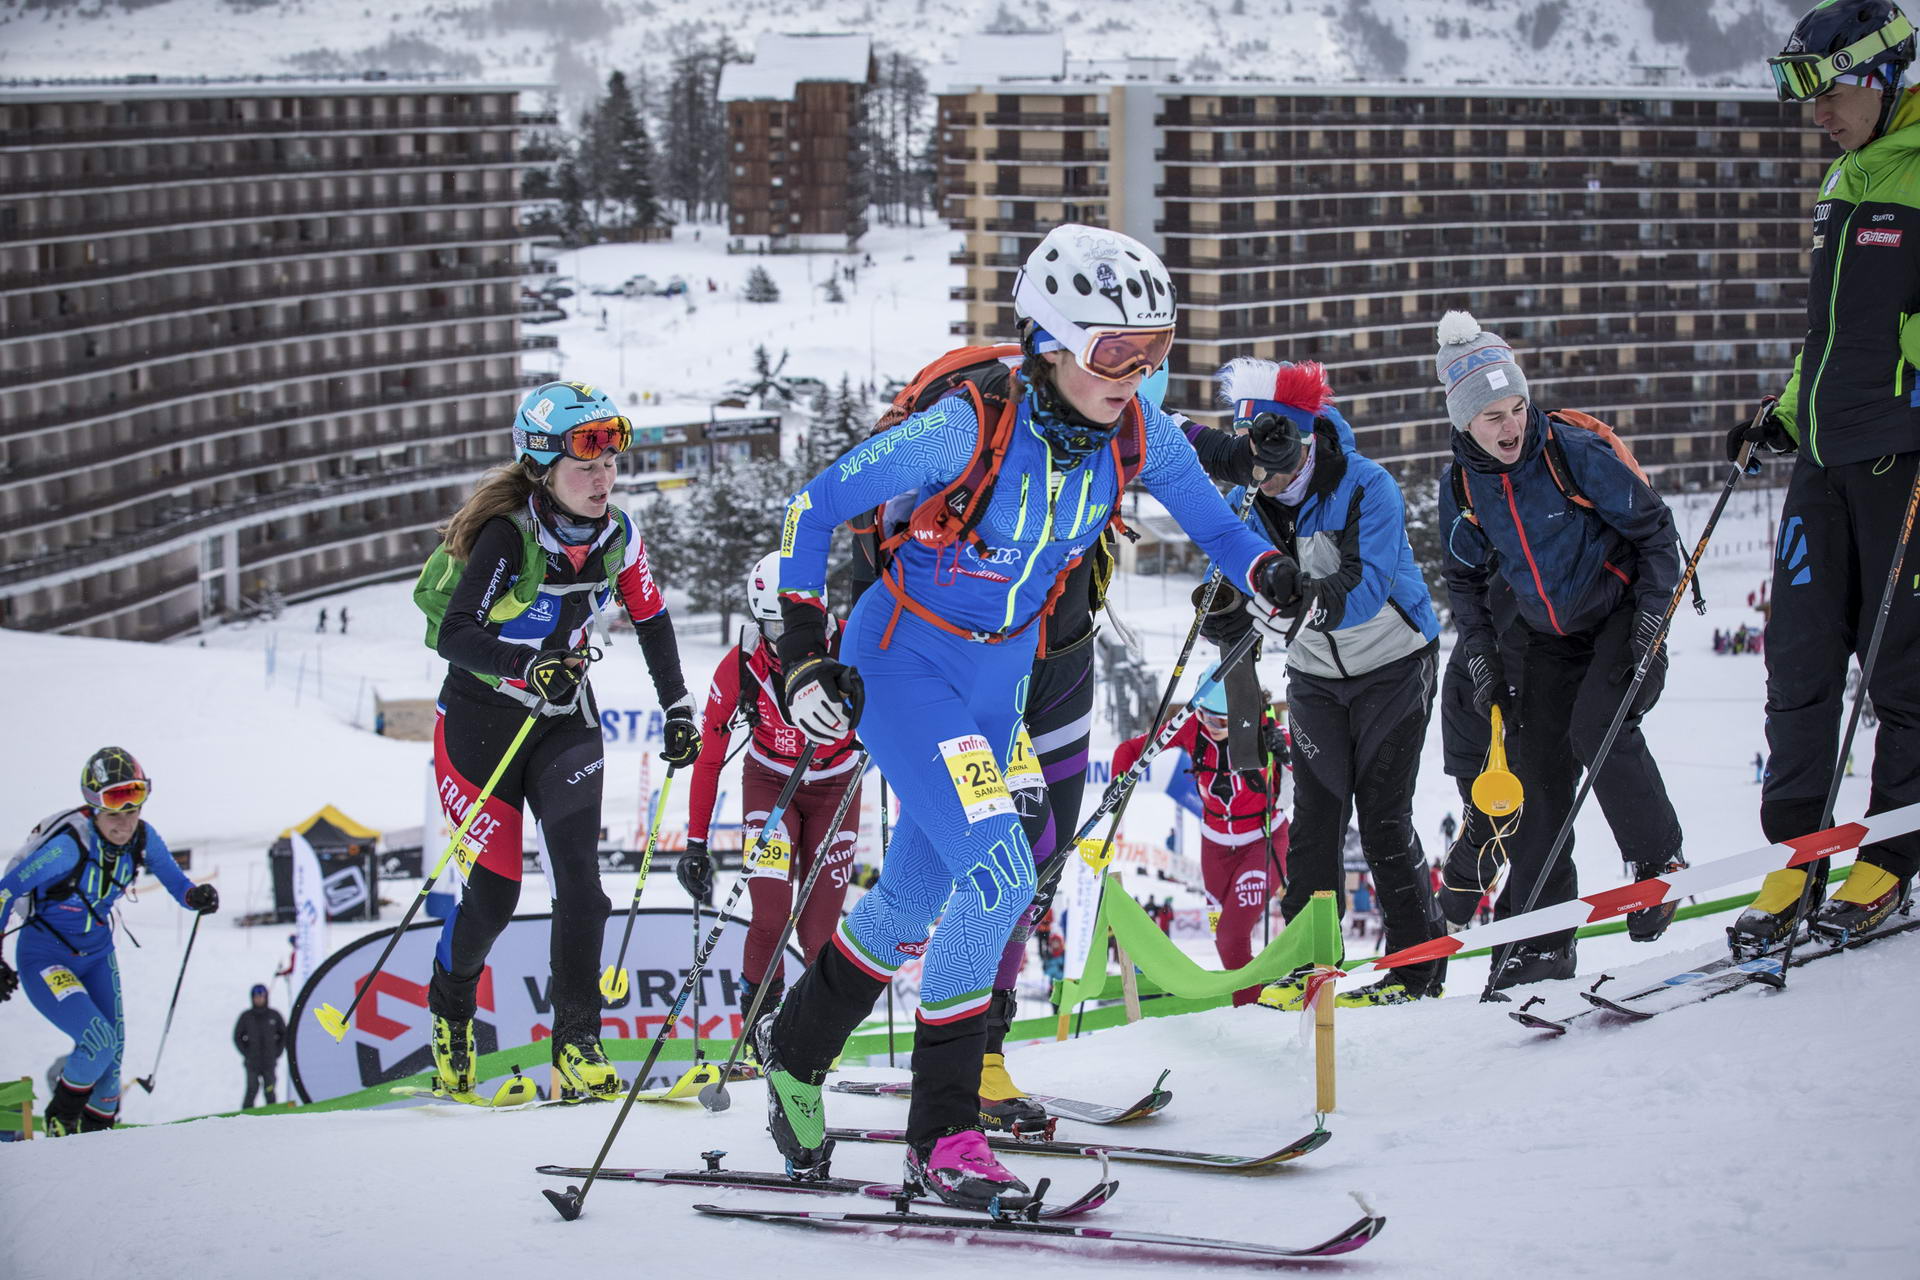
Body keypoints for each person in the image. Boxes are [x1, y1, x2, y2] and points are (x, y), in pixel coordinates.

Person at [755, 223, 1295, 1207]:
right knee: (1003, 865)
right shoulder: (968, 424)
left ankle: (793, 1051)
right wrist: (799, 657)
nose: (1135, 371)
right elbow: (814, 504)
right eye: (1112, 351)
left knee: (916, 893)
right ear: (1049, 343)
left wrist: (1269, 571)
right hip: (907, 663)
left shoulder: (1131, 431)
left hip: (994, 687)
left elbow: (1213, 517)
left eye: (1155, 348)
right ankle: (944, 1133)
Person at [844, 308, 1293, 1133]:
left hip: (1065, 659)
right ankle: (962, 1052)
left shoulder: (1130, 419)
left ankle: (984, 1039)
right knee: (1004, 850)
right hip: (978, 660)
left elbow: (1187, 443)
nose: (1119, 402)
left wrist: (1258, 449)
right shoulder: (1024, 414)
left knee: (1041, 853)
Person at [420, 380, 700, 1103]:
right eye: (587, 463)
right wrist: (524, 664)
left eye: (611, 462)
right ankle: (450, 1011)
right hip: (481, 724)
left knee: (584, 885)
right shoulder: (509, 535)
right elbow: (456, 635)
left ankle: (577, 1042)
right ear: (542, 466)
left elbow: (653, 620)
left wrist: (677, 706)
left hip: (564, 718)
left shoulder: (619, 537)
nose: (604, 478)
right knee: (495, 896)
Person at [1728, 0, 1920, 949]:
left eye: (1827, 90)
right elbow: (1829, 336)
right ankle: (1797, 855)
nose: (1817, 115)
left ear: (1883, 75)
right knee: (1798, 658)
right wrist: (1788, 412)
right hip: (1825, 457)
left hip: (1902, 454)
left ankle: (1890, 857)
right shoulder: (1844, 179)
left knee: (1903, 667)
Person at [1436, 311, 1685, 987]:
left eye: (1517, 407)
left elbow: (1658, 533)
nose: (1511, 426)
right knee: (1537, 772)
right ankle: (1544, 940)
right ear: (1464, 423)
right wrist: (1483, 655)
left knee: (1596, 725)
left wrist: (1650, 620)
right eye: (1492, 417)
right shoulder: (1462, 486)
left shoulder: (1568, 452)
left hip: (1620, 614)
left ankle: (1660, 861)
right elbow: (1462, 578)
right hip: (1551, 637)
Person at [1194, 359, 1445, 1010]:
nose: (1267, 479)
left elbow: (1363, 593)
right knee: (1315, 820)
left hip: (1393, 662)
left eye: (1277, 462)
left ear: (1306, 442)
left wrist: (1285, 599)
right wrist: (1225, 615)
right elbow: (1238, 584)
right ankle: (1311, 965)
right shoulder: (1245, 501)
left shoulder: (1367, 487)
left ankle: (1416, 971)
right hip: (1313, 673)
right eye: (1253, 464)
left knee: (1384, 819)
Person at [676, 553, 863, 1014]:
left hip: (836, 787)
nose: (792, 642)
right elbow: (709, 757)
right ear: (759, 622)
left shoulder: (851, 644)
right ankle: (758, 1026)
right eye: (777, 631)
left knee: (819, 931)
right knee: (770, 918)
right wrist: (696, 843)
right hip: (770, 786)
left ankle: (817, 1037)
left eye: (805, 625)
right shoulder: (741, 663)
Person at [0, 749, 217, 1135]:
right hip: (46, 958)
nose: (125, 824)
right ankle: (61, 1122)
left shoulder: (144, 838)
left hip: (98, 954)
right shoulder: (68, 847)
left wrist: (194, 897)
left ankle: (99, 1142)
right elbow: (5, 892)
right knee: (98, 1042)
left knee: (112, 1059)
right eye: (114, 813)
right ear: (93, 806)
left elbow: (173, 878)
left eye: (132, 811)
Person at [1111, 667, 1289, 1005]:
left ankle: (1252, 1010)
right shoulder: (1192, 728)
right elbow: (1133, 749)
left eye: (1221, 722)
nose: (1210, 727)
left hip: (1261, 841)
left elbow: (1314, 768)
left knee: (1231, 934)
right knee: (1222, 937)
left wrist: (1288, 756)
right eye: (1204, 715)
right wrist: (1120, 779)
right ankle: (1253, 1004)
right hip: (1215, 847)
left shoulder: (1268, 732)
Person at [233, 983, 286, 1109]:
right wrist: (247, 1052)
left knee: (269, 1089)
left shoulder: (274, 1015)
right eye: (256, 997)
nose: (259, 999)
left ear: (266, 997)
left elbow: (284, 1035)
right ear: (252, 998)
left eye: (261, 996)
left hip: (269, 1062)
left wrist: (277, 1051)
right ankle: (246, 1114)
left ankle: (273, 1113)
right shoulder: (246, 1017)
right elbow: (237, 1037)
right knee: (252, 1089)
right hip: (252, 1063)